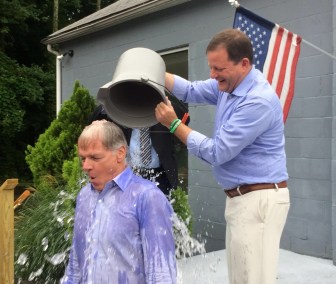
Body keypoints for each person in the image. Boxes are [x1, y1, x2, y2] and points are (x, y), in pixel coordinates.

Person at [154, 28, 290, 284]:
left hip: (258, 201)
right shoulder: (229, 85)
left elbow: (218, 152)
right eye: (211, 68)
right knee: (241, 279)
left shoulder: (256, 101)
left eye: (219, 68)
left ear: (244, 64)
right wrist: (152, 73)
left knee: (254, 280)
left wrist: (174, 125)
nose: (213, 75)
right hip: (243, 199)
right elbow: (191, 90)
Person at [61, 120, 177, 283]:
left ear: (120, 153)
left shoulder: (147, 197)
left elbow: (161, 275)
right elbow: (75, 267)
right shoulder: (84, 196)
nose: (86, 166)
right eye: (83, 158)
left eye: (95, 157)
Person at [88, 96, 189, 196]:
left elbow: (186, 117)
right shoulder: (126, 110)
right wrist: (114, 102)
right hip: (131, 172)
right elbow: (95, 118)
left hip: (161, 175)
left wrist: (160, 99)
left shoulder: (162, 110)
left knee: (158, 210)